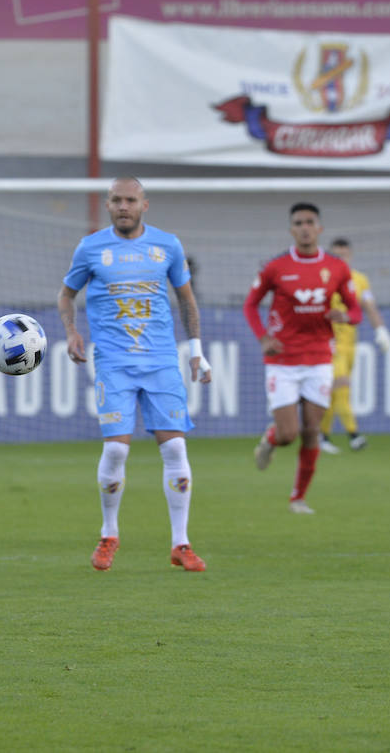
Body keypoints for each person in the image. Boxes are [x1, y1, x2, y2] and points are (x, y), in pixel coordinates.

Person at [57, 177, 212, 574]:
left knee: (176, 449)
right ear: (108, 205)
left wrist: (196, 351)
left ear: (145, 204)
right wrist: (72, 332)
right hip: (114, 363)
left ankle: (181, 543)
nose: (123, 206)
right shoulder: (91, 247)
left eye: (130, 200)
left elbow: (186, 300)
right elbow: (66, 294)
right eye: (116, 200)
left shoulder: (167, 245)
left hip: (161, 361)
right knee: (116, 450)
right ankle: (109, 534)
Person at [244, 203, 361, 514]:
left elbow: (356, 310)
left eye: (310, 222)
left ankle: (298, 497)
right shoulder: (276, 266)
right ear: (291, 230)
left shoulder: (337, 267)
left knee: (312, 431)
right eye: (299, 222)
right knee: (288, 434)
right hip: (283, 360)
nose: (305, 227)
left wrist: (345, 315)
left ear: (319, 228)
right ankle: (270, 439)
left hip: (320, 358)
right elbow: (250, 304)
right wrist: (263, 338)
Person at [318, 238, 390, 454]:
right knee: (341, 385)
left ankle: (323, 437)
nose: (341, 258)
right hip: (329, 343)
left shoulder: (360, 279)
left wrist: (381, 330)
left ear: (350, 255)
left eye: (344, 254)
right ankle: (354, 434)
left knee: (333, 392)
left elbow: (369, 307)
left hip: (350, 344)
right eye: (336, 254)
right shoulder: (322, 278)